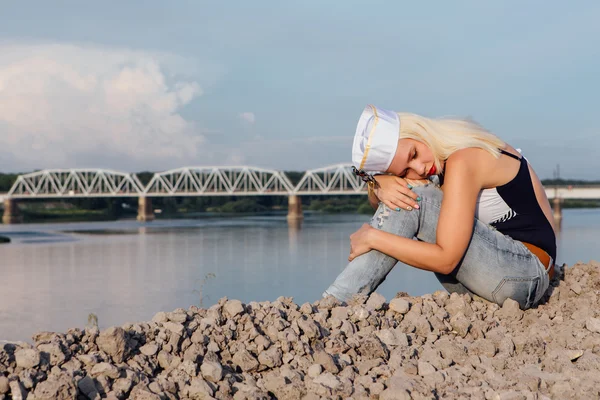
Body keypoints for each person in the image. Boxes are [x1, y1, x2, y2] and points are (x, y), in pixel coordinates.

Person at [323, 105, 556, 310]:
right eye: (404, 171)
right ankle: (335, 304)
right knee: (407, 194)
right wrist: (379, 184)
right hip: (494, 284)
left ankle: (334, 304)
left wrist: (373, 238)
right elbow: (385, 205)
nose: (420, 169)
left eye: (414, 154)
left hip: (525, 277)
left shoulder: (464, 159)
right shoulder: (443, 161)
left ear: (419, 130)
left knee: (413, 196)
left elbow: (447, 260)